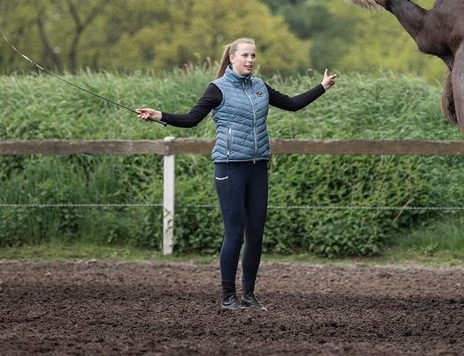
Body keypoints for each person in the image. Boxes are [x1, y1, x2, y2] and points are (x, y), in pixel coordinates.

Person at [136, 37, 337, 311]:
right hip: (229, 167)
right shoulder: (216, 89)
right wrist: (159, 115)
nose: (250, 60)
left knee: (256, 233)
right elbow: (191, 119)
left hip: (257, 167)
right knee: (235, 233)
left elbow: (291, 104)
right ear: (232, 58)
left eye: (253, 55)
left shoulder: (260, 87)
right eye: (245, 55)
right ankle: (228, 297)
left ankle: (249, 296)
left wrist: (322, 87)